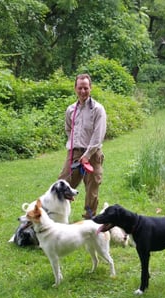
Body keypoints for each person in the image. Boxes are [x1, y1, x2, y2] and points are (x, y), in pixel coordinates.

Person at [58, 74, 107, 220]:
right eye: (80, 88)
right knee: (62, 185)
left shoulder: (98, 109)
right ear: (75, 89)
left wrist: (87, 154)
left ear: (90, 88)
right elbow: (69, 129)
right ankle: (57, 217)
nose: (83, 91)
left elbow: (98, 135)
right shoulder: (71, 110)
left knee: (92, 188)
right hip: (74, 153)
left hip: (92, 154)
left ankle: (89, 220)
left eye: (86, 88)